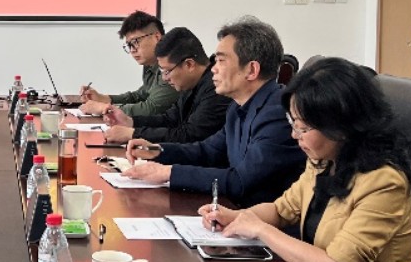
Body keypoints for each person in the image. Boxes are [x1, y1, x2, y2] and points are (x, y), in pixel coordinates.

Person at [199, 57, 411, 262]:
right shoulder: (322, 160)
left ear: (340, 126)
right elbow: (282, 210)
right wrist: (236, 217)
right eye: (293, 123)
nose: (294, 135)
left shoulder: (384, 182)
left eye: (302, 127)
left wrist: (260, 230)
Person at [123, 16, 304, 205]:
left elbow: (241, 181)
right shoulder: (237, 107)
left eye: (221, 61)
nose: (213, 69)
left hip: (260, 217)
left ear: (251, 70)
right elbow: (207, 151)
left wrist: (169, 173)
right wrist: (157, 151)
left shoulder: (279, 114)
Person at [101, 27, 231, 144]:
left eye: (167, 71)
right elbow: (170, 119)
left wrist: (134, 134)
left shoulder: (217, 89)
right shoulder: (191, 83)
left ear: (189, 64)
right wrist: (130, 122)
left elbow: (189, 135)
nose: (164, 78)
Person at [79, 10, 179, 117]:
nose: (132, 50)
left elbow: (151, 108)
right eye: (129, 45)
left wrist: (104, 108)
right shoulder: (151, 63)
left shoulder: (172, 62)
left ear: (157, 37)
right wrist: (104, 98)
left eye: (135, 42)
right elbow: (141, 95)